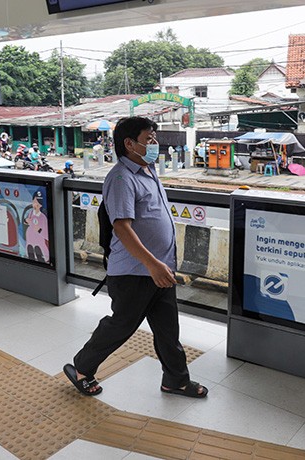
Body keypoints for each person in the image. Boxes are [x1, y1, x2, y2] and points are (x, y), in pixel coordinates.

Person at [63, 116, 208, 399]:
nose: (155, 143)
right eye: (149, 138)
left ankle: (175, 380)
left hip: (159, 269)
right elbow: (122, 227)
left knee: (168, 330)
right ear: (130, 143)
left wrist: (161, 264)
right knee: (121, 326)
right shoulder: (121, 178)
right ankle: (82, 367)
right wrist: (152, 263)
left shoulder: (147, 170)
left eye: (154, 137)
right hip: (135, 271)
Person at [24, 191, 50, 263]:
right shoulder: (31, 213)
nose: (35, 205)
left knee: (39, 253)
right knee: (30, 253)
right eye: (34, 202)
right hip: (30, 241)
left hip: (39, 243)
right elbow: (26, 221)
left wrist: (39, 230)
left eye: (37, 203)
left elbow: (47, 235)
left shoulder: (43, 217)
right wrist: (26, 220)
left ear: (41, 205)